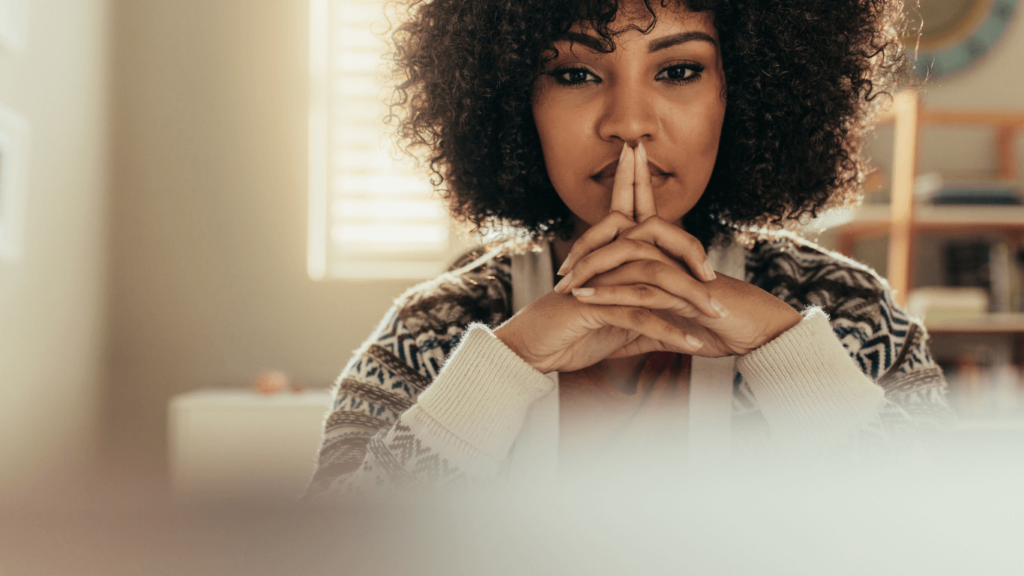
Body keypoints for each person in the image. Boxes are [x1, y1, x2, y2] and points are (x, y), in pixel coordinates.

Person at [305, 0, 954, 496]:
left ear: (743, 92)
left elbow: (945, 539)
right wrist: (510, 362)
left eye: (678, 70)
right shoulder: (435, 331)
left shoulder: (848, 314)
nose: (629, 121)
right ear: (513, 100)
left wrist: (783, 349)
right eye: (575, 72)